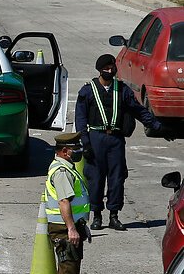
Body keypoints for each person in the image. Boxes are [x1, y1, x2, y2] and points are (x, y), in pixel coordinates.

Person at [74, 53, 172, 230]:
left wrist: (159, 127)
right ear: (99, 70)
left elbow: (139, 111)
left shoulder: (123, 90)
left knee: (117, 178)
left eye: (112, 69)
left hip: (116, 140)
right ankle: (97, 215)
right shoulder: (88, 91)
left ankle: (114, 215)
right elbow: (80, 119)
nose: (109, 72)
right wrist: (85, 143)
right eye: (106, 69)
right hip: (96, 138)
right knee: (95, 179)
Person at [44, 132, 91, 274]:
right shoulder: (62, 171)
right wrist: (71, 228)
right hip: (64, 229)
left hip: (69, 226)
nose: (79, 151)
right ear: (64, 151)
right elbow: (64, 202)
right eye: (75, 149)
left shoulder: (64, 167)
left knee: (69, 270)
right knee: (67, 272)